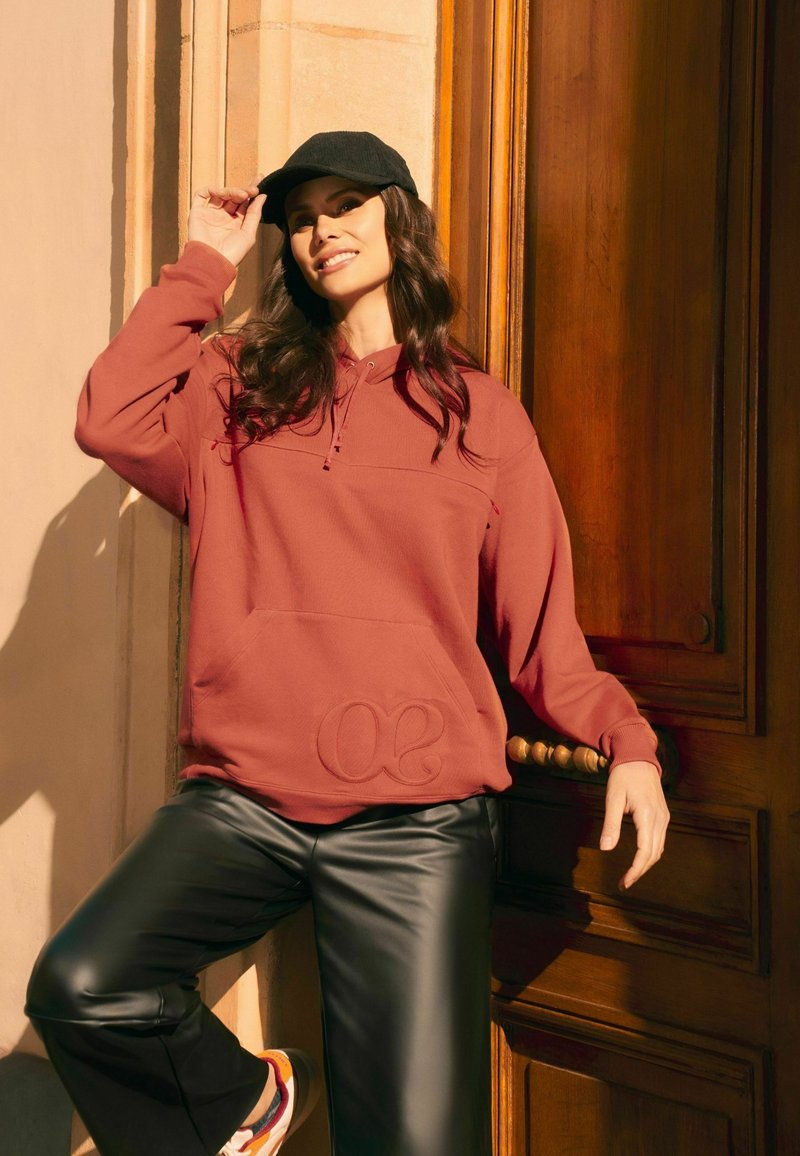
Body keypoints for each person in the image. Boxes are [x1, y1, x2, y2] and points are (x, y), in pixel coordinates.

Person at [24, 131, 670, 1156]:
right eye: (302, 217)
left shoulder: (480, 416)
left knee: (416, 1143)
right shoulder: (236, 385)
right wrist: (204, 262)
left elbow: (542, 636)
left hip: (416, 825)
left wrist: (626, 743)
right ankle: (242, 1104)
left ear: (398, 218)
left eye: (346, 204)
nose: (322, 229)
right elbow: (110, 418)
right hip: (245, 799)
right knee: (84, 985)